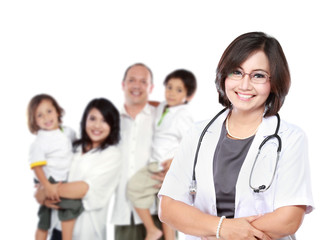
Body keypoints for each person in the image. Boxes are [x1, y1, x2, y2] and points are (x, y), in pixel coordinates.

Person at [158, 32, 314, 240]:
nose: (244, 85)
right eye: (236, 72)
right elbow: (169, 208)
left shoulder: (290, 138)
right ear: (224, 76)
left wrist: (213, 230)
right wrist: (223, 228)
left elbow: (289, 219)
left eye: (258, 75)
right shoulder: (197, 134)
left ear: (274, 81)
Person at [36, 98, 121, 240]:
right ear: (85, 120)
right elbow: (53, 171)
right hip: (57, 228)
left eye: (104, 120)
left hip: (87, 232)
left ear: (112, 125)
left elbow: (84, 189)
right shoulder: (73, 146)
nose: (97, 125)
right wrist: (42, 193)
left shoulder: (112, 154)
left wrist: (45, 191)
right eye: (92, 118)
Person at [127, 69, 197, 240]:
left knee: (134, 188)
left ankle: (152, 230)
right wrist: (141, 100)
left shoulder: (183, 115)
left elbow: (192, 143)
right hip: (156, 163)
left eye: (179, 90)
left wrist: (175, 161)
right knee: (164, 205)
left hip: (166, 165)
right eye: (169, 87)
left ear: (189, 95)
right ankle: (166, 236)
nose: (172, 93)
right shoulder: (164, 107)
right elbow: (156, 105)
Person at [111, 63, 168, 240]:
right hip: (123, 213)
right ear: (123, 85)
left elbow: (181, 148)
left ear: (150, 87)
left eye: (143, 81)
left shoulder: (161, 116)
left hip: (157, 212)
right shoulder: (110, 121)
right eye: (132, 80)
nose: (137, 85)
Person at [27, 94, 80, 240]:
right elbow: (37, 167)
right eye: (40, 115)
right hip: (49, 181)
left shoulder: (68, 131)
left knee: (52, 217)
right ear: (35, 121)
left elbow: (76, 148)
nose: (46, 118)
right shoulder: (40, 141)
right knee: (44, 222)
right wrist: (47, 186)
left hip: (63, 180)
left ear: (57, 111)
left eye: (49, 111)